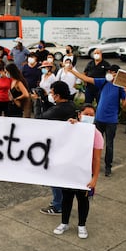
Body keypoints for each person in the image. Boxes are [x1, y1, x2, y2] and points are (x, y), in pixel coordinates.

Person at [69, 64, 126, 176]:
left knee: (109, 145)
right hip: (98, 119)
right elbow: (87, 79)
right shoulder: (104, 82)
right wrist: (72, 71)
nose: (110, 74)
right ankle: (90, 165)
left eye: (113, 72)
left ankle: (108, 167)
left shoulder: (121, 87)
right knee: (93, 143)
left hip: (111, 121)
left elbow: (125, 107)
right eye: (109, 72)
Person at [53, 103, 103, 239]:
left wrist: (94, 179)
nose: (89, 117)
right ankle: (64, 223)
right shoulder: (72, 128)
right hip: (69, 172)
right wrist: (68, 125)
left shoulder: (96, 134)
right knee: (66, 198)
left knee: (83, 200)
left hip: (85, 174)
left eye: (92, 115)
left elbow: (97, 159)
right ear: (79, 115)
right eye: (86, 114)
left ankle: (82, 225)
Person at [33, 81, 77, 215]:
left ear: (58, 95)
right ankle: (60, 201)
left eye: (52, 93)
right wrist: (45, 99)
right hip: (64, 147)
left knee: (54, 177)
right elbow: (52, 109)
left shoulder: (60, 109)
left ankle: (58, 205)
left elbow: (39, 118)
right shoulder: (69, 105)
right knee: (58, 176)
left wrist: (38, 102)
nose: (51, 95)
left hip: (58, 148)